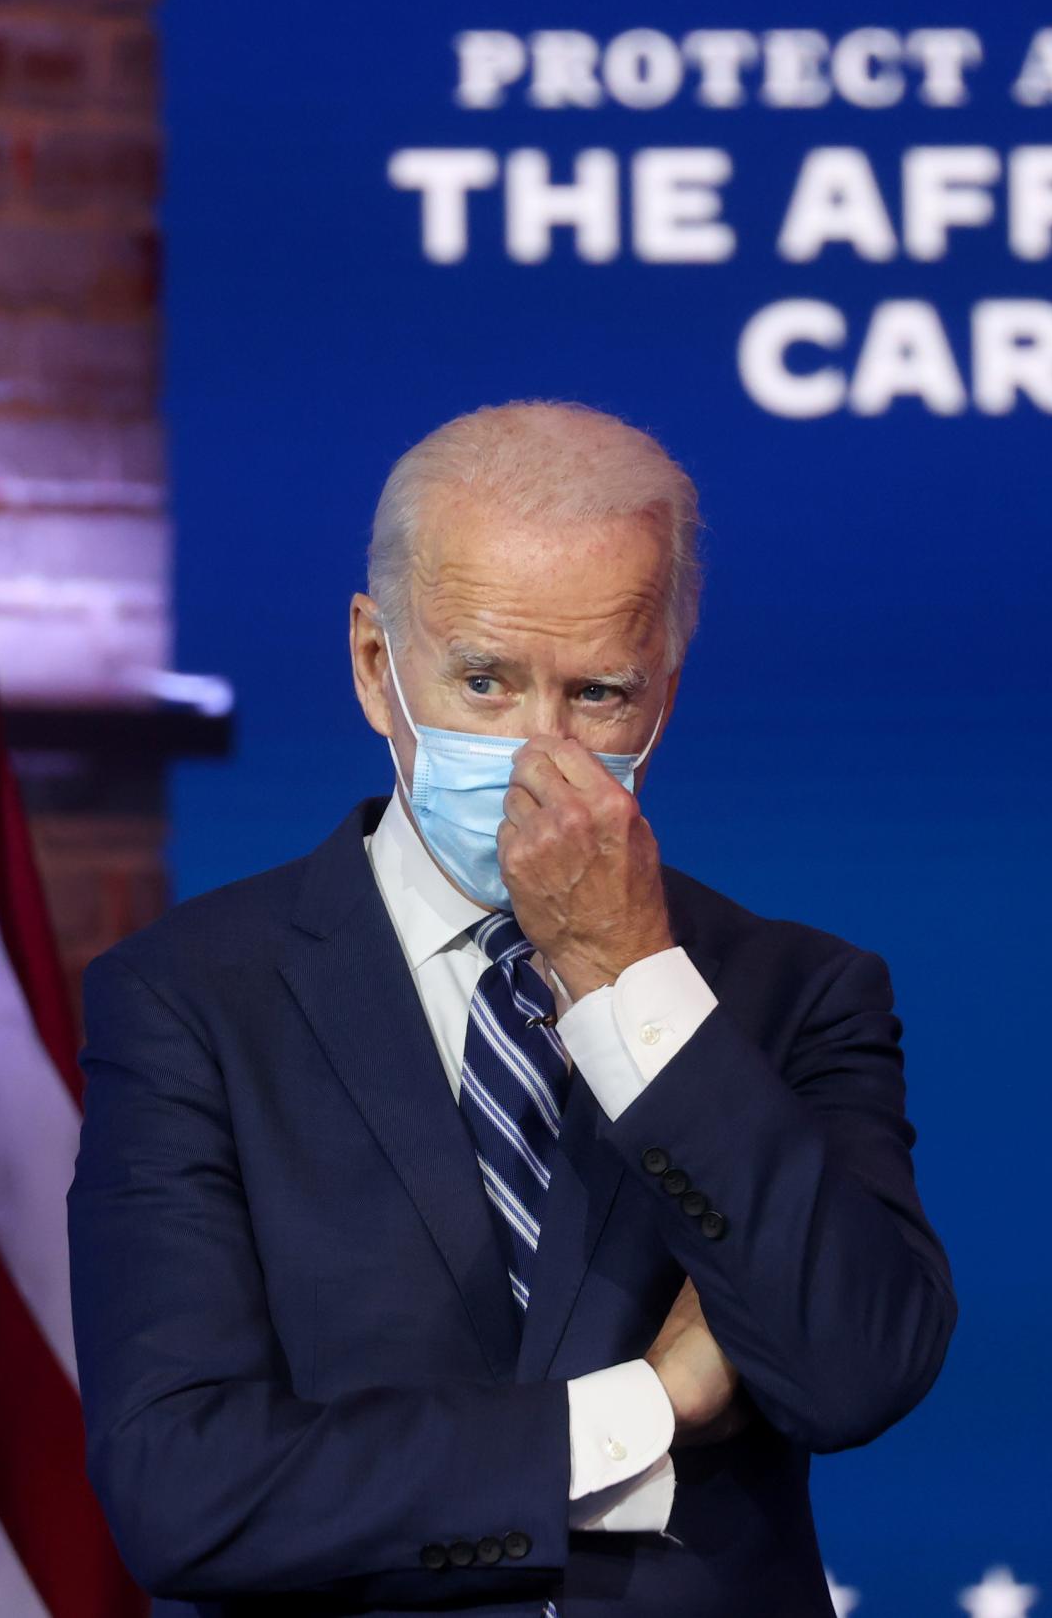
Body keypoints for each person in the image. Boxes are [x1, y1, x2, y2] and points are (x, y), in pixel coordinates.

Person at [69, 401, 955, 1617]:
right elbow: (181, 1490)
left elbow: (855, 1367)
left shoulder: (792, 993)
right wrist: (642, 1410)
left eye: (596, 695)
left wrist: (630, 980)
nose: (539, 756)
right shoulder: (185, 1000)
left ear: (663, 698)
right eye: (484, 681)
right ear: (378, 666)